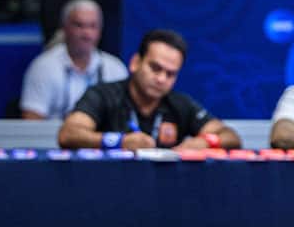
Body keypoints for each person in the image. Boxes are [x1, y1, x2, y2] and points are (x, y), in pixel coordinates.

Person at [58, 29, 241, 150]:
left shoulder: (179, 104)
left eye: (170, 74)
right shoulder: (103, 95)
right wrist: (120, 142)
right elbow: (68, 134)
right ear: (135, 63)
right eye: (155, 68)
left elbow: (231, 137)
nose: (161, 79)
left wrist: (204, 142)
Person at [20, 0, 127, 119]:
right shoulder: (43, 67)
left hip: (99, 137)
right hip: (53, 137)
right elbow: (31, 123)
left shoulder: (115, 68)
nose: (87, 34)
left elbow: (123, 119)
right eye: (79, 25)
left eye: (93, 26)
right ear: (64, 28)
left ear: (100, 31)